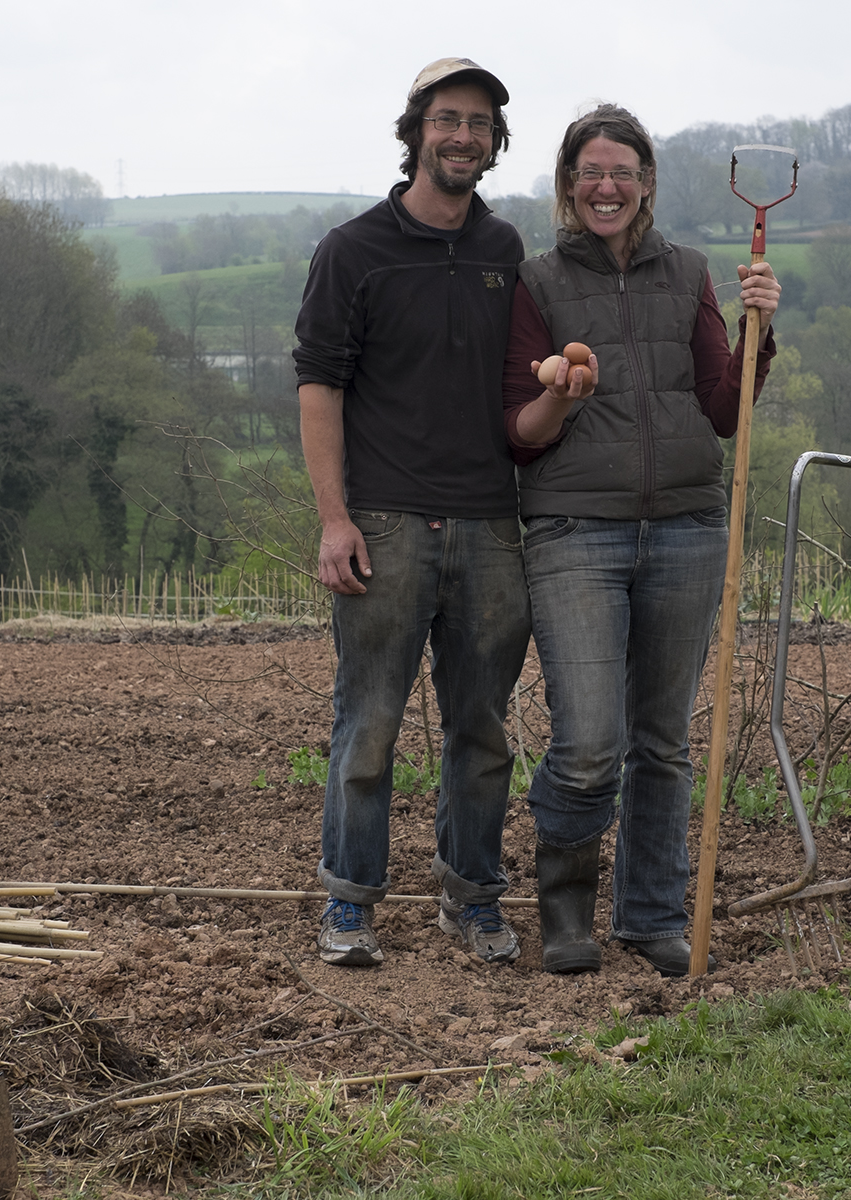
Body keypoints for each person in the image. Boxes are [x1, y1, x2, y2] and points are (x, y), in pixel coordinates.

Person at [502, 104, 781, 977]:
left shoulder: (690, 271)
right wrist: (562, 390)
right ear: (568, 185)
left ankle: (653, 913)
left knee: (660, 741)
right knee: (587, 740)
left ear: (648, 182)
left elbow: (724, 409)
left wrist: (757, 333)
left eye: (623, 171)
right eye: (591, 172)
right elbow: (521, 431)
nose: (607, 187)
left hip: (688, 529)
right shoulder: (538, 281)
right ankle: (567, 911)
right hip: (575, 531)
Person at [292, 58, 531, 968]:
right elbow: (320, 387)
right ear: (416, 130)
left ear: (494, 142)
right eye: (447, 119)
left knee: (483, 728)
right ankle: (349, 905)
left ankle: (470, 900)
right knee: (370, 725)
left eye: (478, 123)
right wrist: (334, 518)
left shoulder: (503, 252)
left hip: (488, 525)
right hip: (384, 526)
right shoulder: (353, 250)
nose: (463, 135)